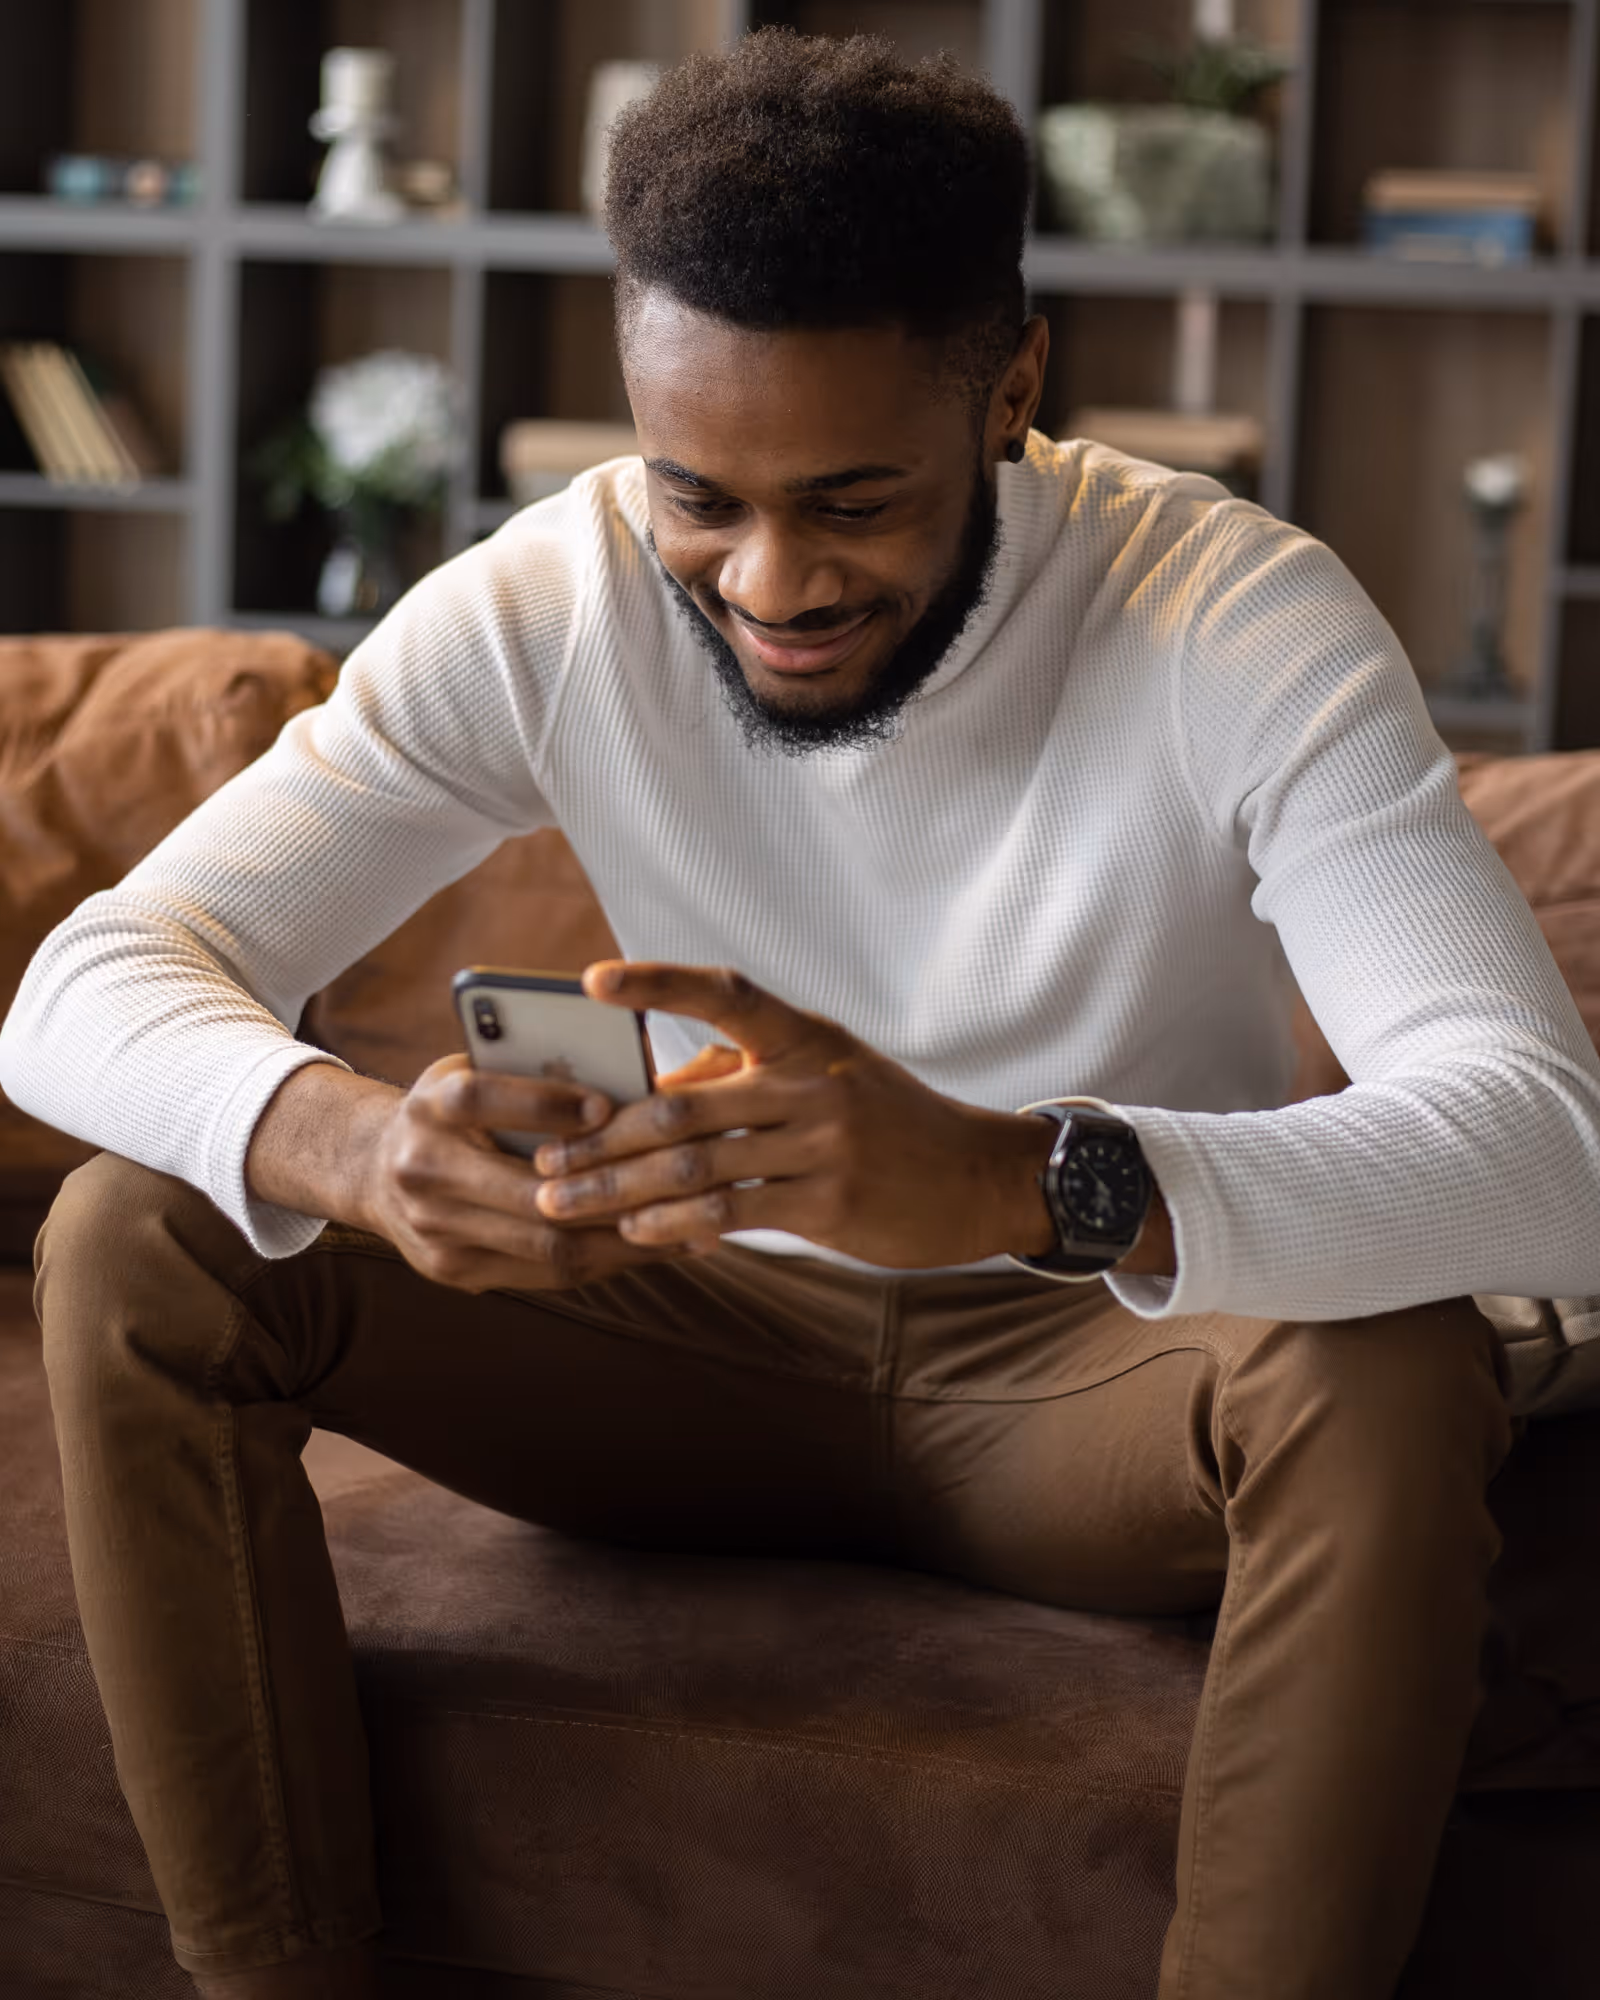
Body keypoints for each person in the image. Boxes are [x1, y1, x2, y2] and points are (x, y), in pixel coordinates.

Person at [4, 28, 1598, 2000]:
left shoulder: (1235, 617)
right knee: (140, 1231)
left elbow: (1550, 1151)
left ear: (1009, 390)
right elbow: (83, 980)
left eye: (852, 499)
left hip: (1089, 1373)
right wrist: (350, 1139)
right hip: (689, 1335)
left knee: (1388, 1365)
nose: (768, 580)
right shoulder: (554, 596)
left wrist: (1024, 1183)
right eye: (699, 494)